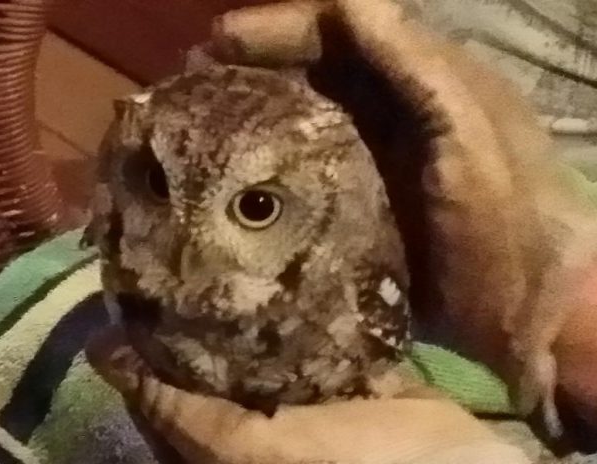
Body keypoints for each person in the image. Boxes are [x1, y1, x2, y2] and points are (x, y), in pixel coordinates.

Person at [89, 1, 597, 462]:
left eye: (258, 207)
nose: (188, 246)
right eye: (155, 182)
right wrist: (555, 305)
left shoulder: (353, 290)